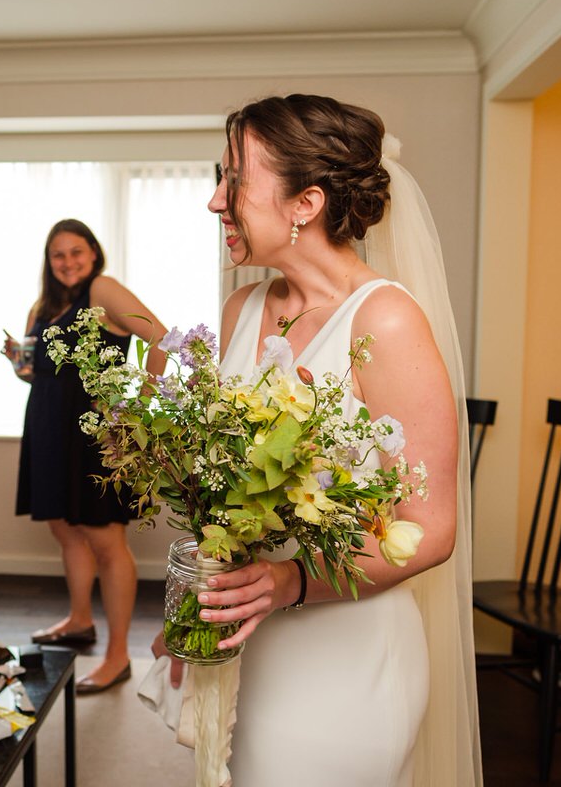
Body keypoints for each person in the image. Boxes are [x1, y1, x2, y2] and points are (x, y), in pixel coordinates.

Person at [155, 95, 481, 785]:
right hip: (255, 642)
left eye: (235, 180)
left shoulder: (385, 322)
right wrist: (201, 598)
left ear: (305, 202)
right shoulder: (242, 309)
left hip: (348, 657)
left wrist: (291, 581)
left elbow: (434, 528)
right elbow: (226, 491)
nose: (216, 201)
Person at [8, 219, 168, 694]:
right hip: (49, 430)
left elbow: (160, 339)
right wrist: (17, 359)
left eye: (76, 252)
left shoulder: (103, 289)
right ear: (49, 261)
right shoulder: (44, 305)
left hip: (97, 437)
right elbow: (38, 374)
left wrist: (134, 405)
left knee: (105, 541)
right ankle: (80, 618)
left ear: (93, 253)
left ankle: (118, 656)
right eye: (58, 255)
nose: (68, 262)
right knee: (65, 529)